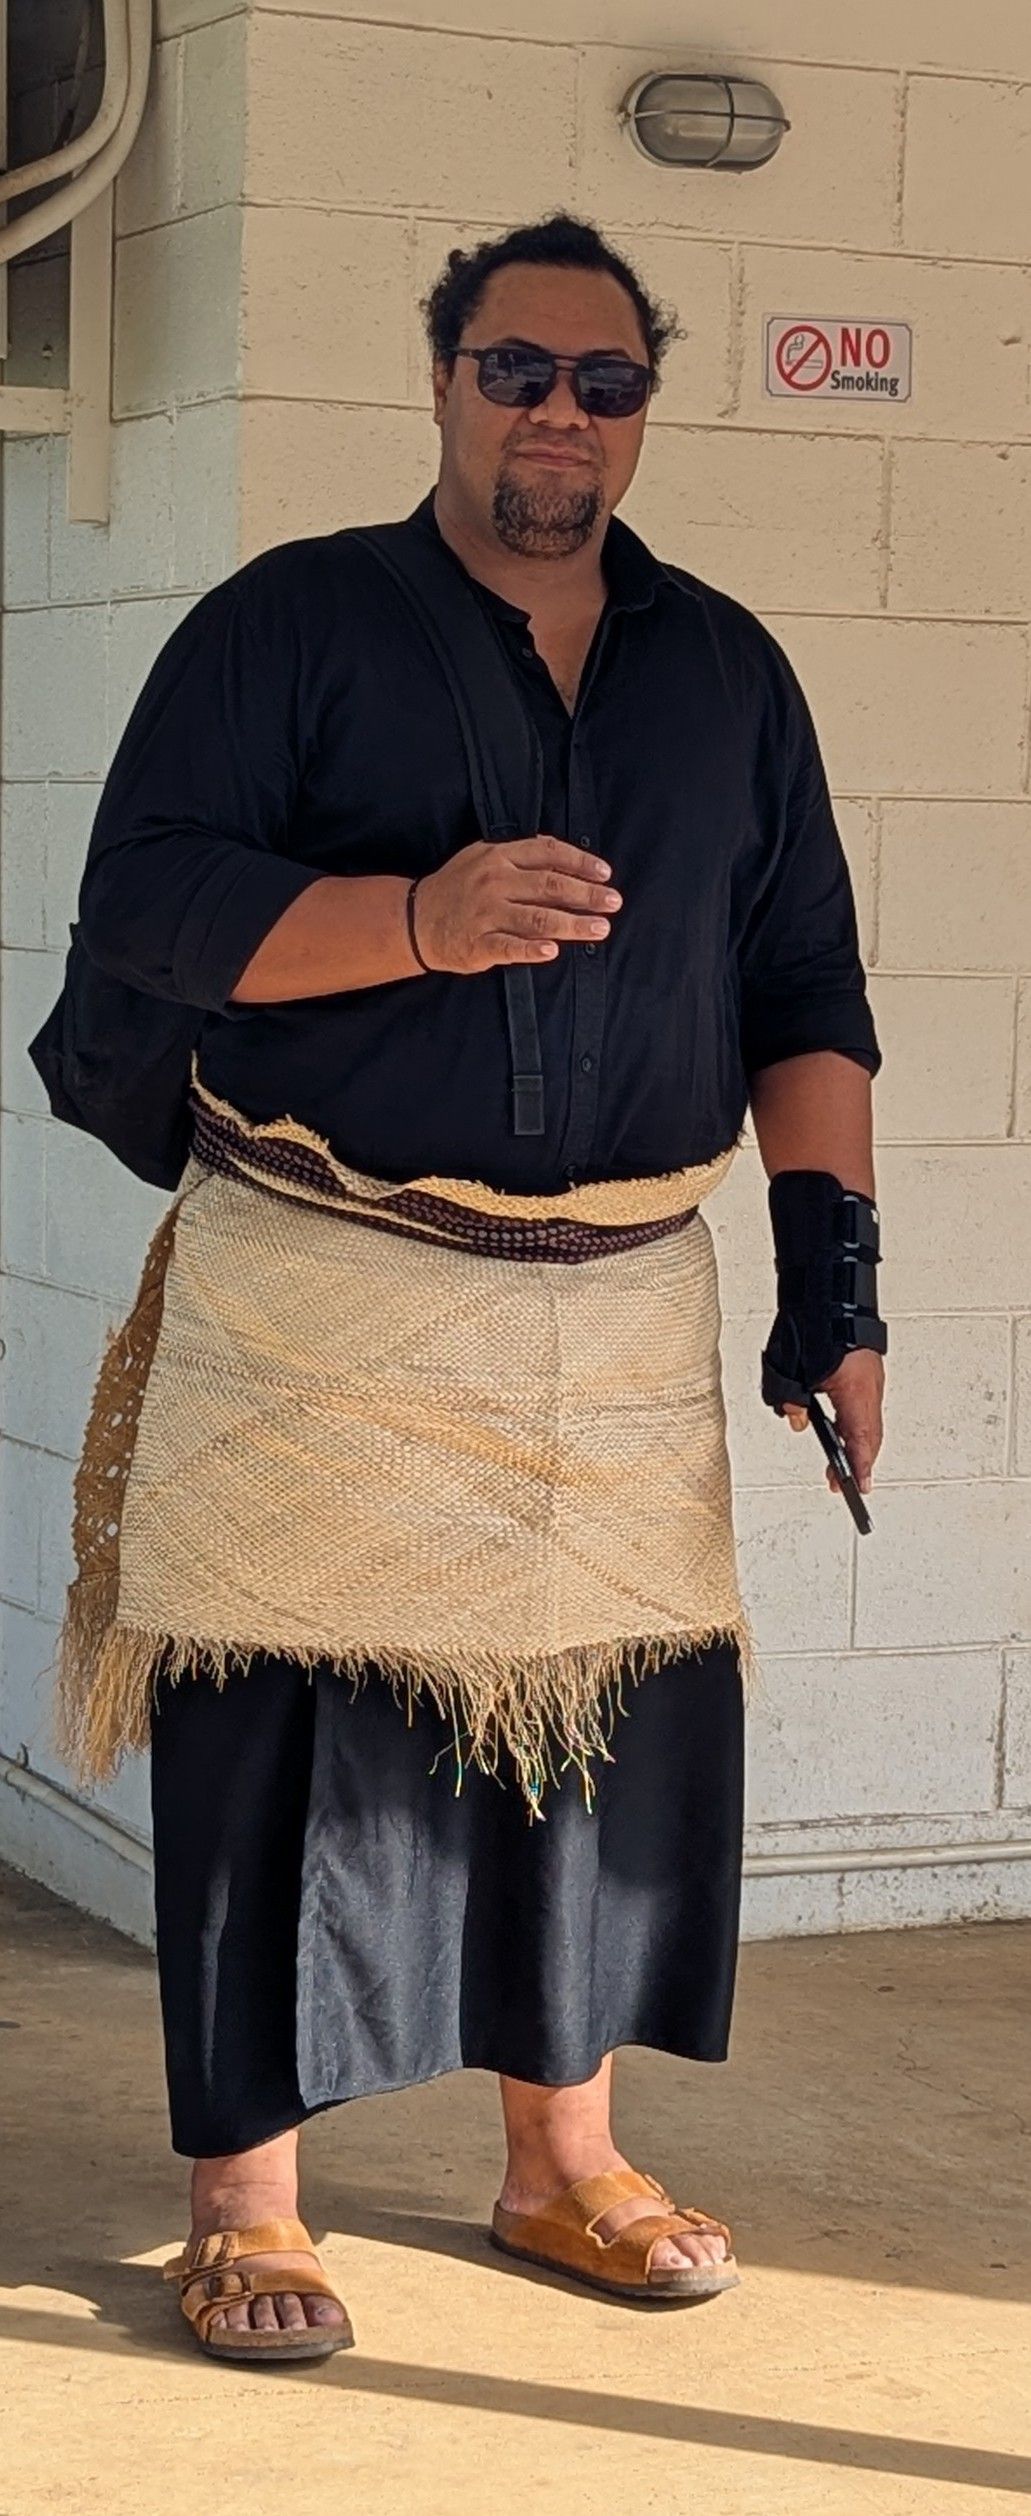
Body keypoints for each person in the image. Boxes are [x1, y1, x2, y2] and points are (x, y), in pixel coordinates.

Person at [51, 213, 885, 2363]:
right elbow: (146, 908)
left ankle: (561, 2166)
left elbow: (807, 981)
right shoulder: (288, 623)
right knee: (273, 1747)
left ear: (643, 412)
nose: (559, 417)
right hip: (323, 1291)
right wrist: (416, 919)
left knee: (592, 1749)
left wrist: (838, 1284)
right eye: (518, 370)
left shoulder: (727, 671)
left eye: (606, 384)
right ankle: (249, 2201)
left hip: (616, 1317)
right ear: (443, 381)